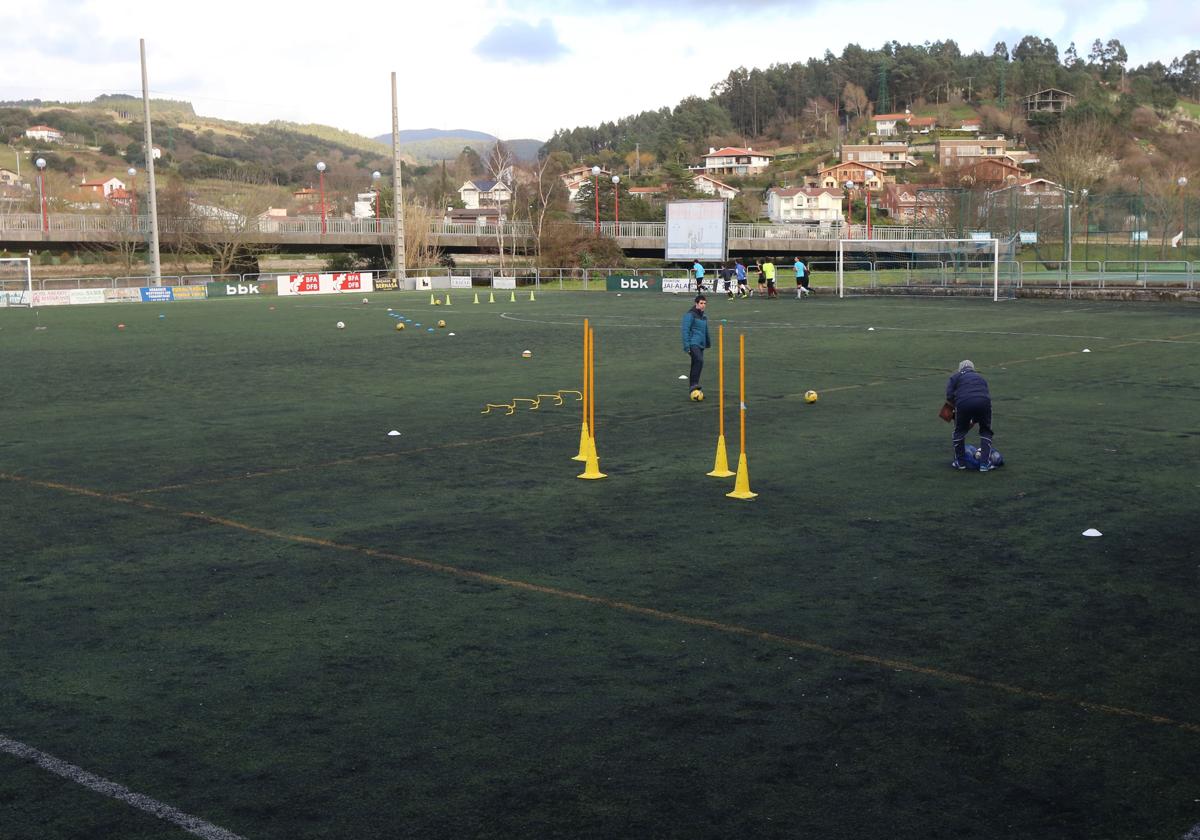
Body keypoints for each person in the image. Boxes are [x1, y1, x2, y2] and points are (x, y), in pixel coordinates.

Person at [945, 359, 995, 472]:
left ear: (960, 368)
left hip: (963, 403)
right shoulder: (980, 377)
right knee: (986, 431)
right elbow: (982, 395)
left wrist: (951, 413)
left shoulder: (955, 377)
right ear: (972, 368)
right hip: (985, 402)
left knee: (959, 432)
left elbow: (949, 396)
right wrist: (975, 419)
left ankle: (960, 463)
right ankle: (984, 465)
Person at [681, 294, 711, 397]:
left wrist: (708, 343)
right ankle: (694, 385)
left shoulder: (704, 316)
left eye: (704, 303)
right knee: (699, 360)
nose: (703, 305)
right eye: (701, 303)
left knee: (697, 364)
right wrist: (686, 346)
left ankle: (694, 388)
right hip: (693, 343)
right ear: (696, 303)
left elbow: (705, 331)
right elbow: (685, 330)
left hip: (700, 344)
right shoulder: (690, 315)